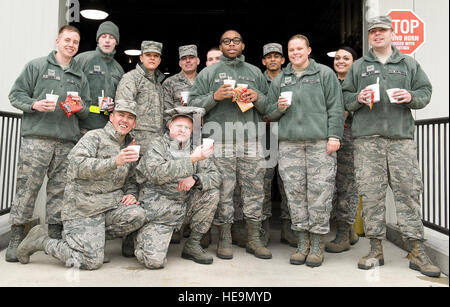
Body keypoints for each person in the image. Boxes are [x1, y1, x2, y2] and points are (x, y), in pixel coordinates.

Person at [342, 16, 440, 277]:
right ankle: (375, 248)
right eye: (373, 31)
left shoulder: (408, 63)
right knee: (371, 194)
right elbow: (345, 97)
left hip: (400, 139)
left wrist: (411, 97)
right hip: (367, 140)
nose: (377, 35)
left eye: (382, 31)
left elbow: (425, 91)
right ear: (369, 37)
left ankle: (416, 250)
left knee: (408, 192)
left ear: (392, 34)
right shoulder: (359, 66)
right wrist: (357, 98)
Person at [16, 100, 146, 270]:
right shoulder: (94, 136)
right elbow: (76, 165)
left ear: (134, 123)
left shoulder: (130, 145)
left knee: (138, 214)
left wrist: (131, 194)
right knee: (90, 261)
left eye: (130, 117)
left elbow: (130, 179)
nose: (125, 120)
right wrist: (114, 161)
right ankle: (41, 241)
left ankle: (91, 241)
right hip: (82, 208)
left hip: (109, 206)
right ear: (112, 118)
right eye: (121, 115)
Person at [5, 25, 91, 262]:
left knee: (59, 191)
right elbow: (15, 95)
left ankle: (54, 238)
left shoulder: (79, 76)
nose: (71, 45)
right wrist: (34, 104)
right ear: (57, 41)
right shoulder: (37, 66)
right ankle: (16, 239)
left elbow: (87, 109)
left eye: (75, 42)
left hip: (66, 141)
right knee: (27, 188)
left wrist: (79, 108)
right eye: (67, 40)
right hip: (37, 139)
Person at [189, 29, 272, 260]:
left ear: (243, 45)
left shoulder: (255, 72)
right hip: (220, 140)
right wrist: (214, 97)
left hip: (251, 140)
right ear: (221, 46)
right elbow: (194, 106)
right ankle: (224, 237)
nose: (231, 44)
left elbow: (270, 107)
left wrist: (258, 98)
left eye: (236, 41)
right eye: (226, 41)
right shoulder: (208, 73)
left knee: (255, 189)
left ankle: (253, 238)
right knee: (224, 190)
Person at [265, 34, 345, 267]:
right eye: (291, 50)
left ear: (309, 50)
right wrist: (279, 109)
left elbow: (336, 107)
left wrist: (334, 136)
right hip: (289, 144)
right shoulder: (281, 78)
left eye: (300, 48)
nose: (295, 53)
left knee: (320, 193)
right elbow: (268, 113)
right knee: (295, 194)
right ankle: (302, 243)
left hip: (320, 143)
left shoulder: (324, 74)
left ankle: (317, 244)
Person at [134, 107, 221, 269]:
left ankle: (193, 244)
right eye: (179, 126)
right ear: (170, 126)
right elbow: (156, 173)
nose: (183, 130)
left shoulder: (194, 148)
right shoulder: (157, 146)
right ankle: (137, 236)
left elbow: (216, 177)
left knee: (212, 193)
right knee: (153, 262)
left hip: (184, 206)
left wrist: (195, 179)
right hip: (160, 212)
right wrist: (192, 160)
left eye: (187, 127)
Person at [231, 43, 295, 248]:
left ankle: (289, 228)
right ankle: (262, 228)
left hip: (286, 134)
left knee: (288, 183)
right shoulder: (256, 78)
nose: (273, 59)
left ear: (283, 60)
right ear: (263, 61)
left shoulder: (291, 78)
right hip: (264, 136)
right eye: (269, 57)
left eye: (277, 56)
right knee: (263, 184)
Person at [325, 46, 360, 253]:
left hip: (349, 137)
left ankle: (344, 234)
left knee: (347, 185)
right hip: (329, 137)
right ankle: (347, 230)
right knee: (332, 185)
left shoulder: (358, 83)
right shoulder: (329, 81)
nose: (340, 61)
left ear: (354, 62)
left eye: (345, 58)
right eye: (337, 58)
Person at [115, 41, 166, 154]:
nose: (152, 58)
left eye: (156, 56)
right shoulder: (131, 78)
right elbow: (122, 112)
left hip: (156, 144)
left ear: (159, 60)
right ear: (141, 58)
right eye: (148, 55)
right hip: (136, 143)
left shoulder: (158, 84)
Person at [75, 21, 125, 134]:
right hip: (81, 127)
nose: (107, 40)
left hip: (106, 128)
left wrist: (115, 105)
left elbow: (122, 98)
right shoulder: (82, 59)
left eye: (111, 37)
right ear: (98, 40)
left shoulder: (119, 69)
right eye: (103, 36)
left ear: (116, 42)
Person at [163, 45, 200, 110]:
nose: (188, 61)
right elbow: (166, 111)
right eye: (184, 58)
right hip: (179, 119)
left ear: (198, 61)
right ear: (180, 63)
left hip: (201, 119)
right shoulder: (169, 82)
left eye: (191, 57)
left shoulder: (204, 80)